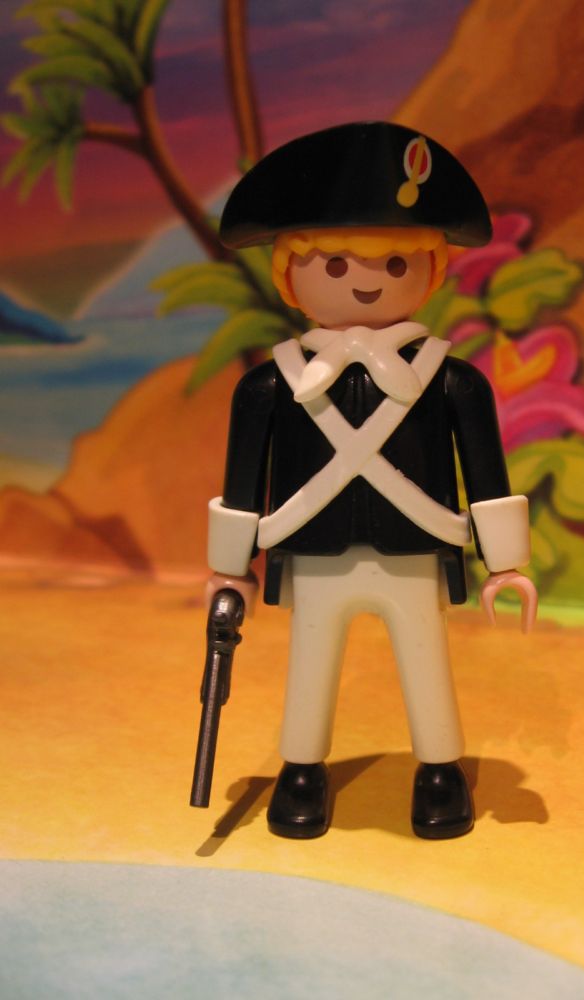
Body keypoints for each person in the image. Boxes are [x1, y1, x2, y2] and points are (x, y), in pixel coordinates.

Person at [207, 121, 535, 840]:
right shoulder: (270, 386)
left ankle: (440, 770)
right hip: (314, 550)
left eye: (395, 263)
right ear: (289, 275)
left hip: (414, 548)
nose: (365, 280)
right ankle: (301, 770)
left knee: (426, 663)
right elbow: (242, 485)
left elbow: (486, 473)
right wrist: (229, 571)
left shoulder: (451, 382)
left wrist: (506, 562)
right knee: (311, 663)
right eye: (334, 264)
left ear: (432, 272)